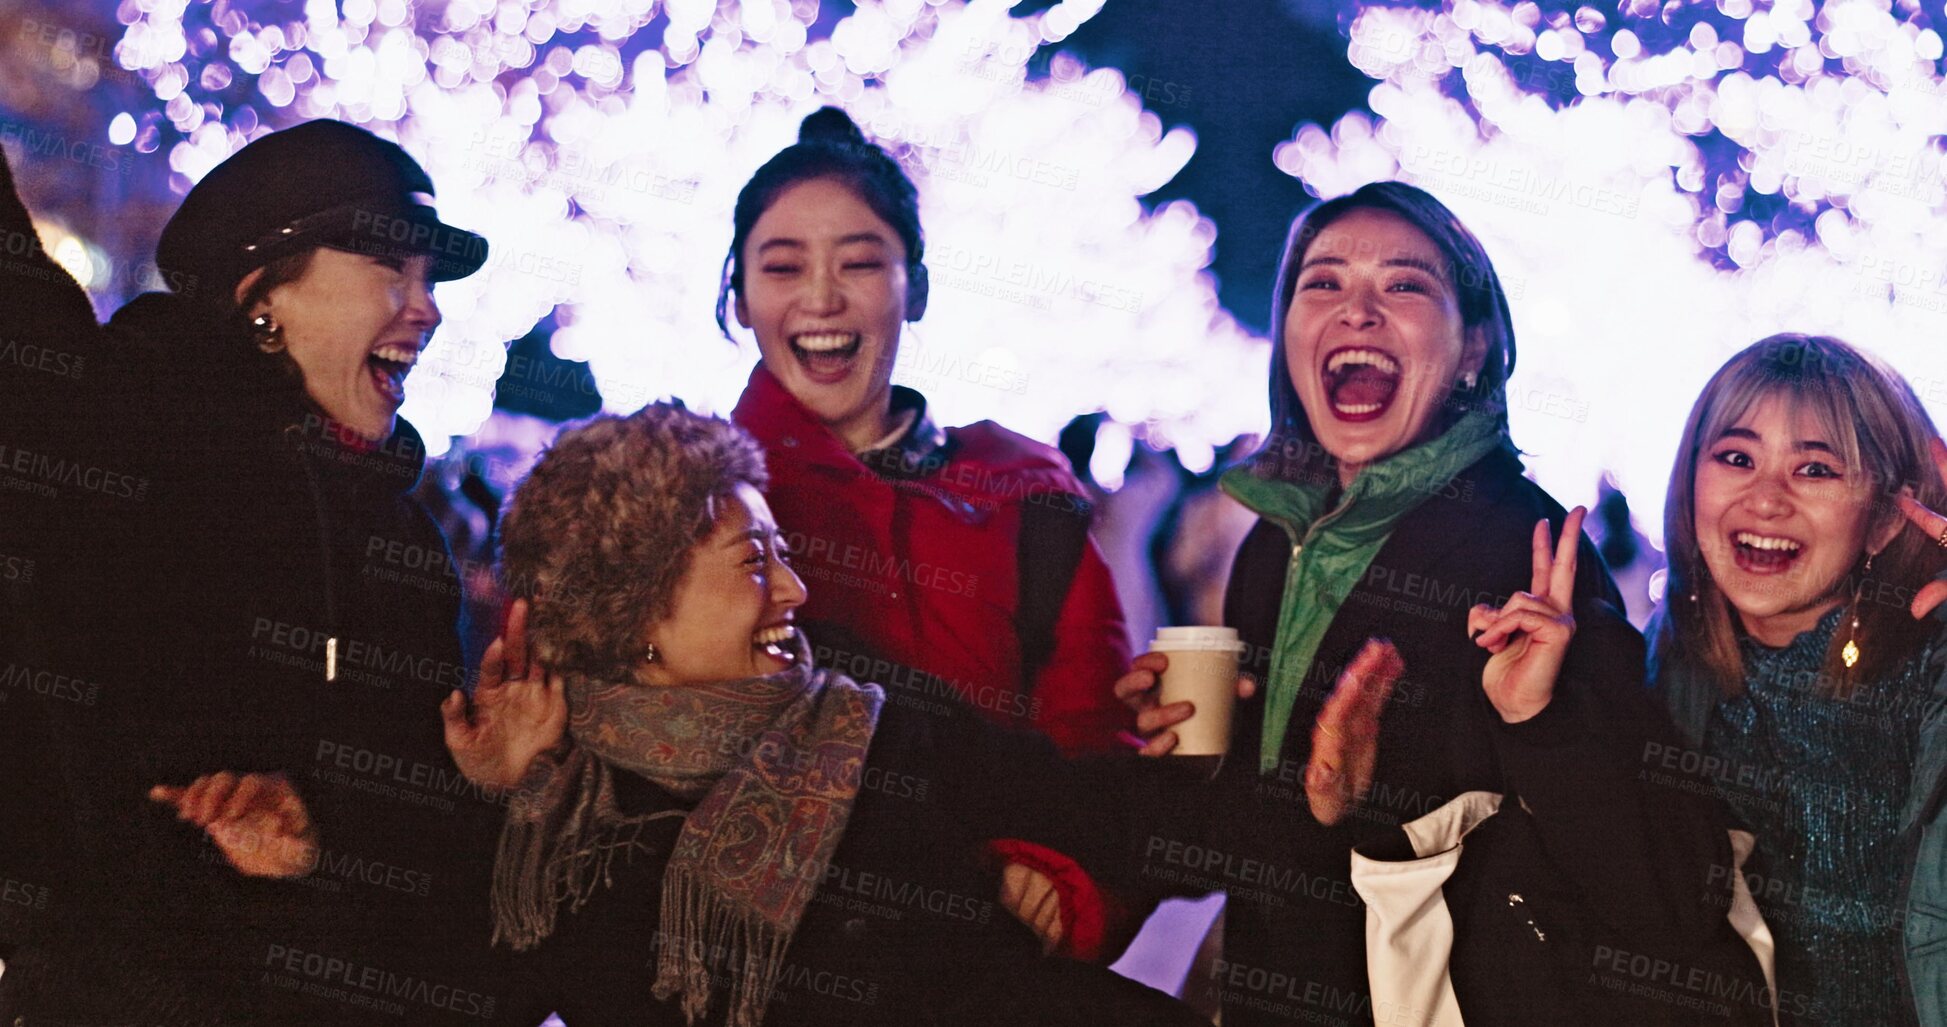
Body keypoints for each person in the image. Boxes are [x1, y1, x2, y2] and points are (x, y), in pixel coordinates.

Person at [1112, 182, 1764, 1025]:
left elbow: (1666, 894)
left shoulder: (1523, 552)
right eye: (1323, 283)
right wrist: (1191, 760)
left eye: (1404, 285)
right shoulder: (1277, 543)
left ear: (1472, 350)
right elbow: (1254, 842)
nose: (1356, 311)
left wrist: (1537, 725)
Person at [440, 403, 1202, 1027]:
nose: (794, 589)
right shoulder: (565, 801)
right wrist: (493, 797)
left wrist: (1273, 780)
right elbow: (466, 992)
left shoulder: (863, 710)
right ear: (639, 608)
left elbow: (1107, 810)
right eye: (753, 562)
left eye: (782, 550)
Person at [0, 121, 501, 1025]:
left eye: (431, 280)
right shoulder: (106, 437)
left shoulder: (403, 546)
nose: (427, 309)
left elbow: (425, 839)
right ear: (260, 293)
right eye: (393, 269)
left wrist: (326, 830)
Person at [721, 107, 1131, 755]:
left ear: (916, 289)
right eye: (782, 268)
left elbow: (1091, 736)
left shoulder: (1023, 487)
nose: (821, 299)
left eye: (857, 263)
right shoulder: (691, 499)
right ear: (740, 299)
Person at [1648, 334, 1947, 1025]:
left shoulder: (1929, 671)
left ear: (1881, 518)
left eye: (1813, 469)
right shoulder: (1662, 672)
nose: (1765, 498)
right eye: (1734, 458)